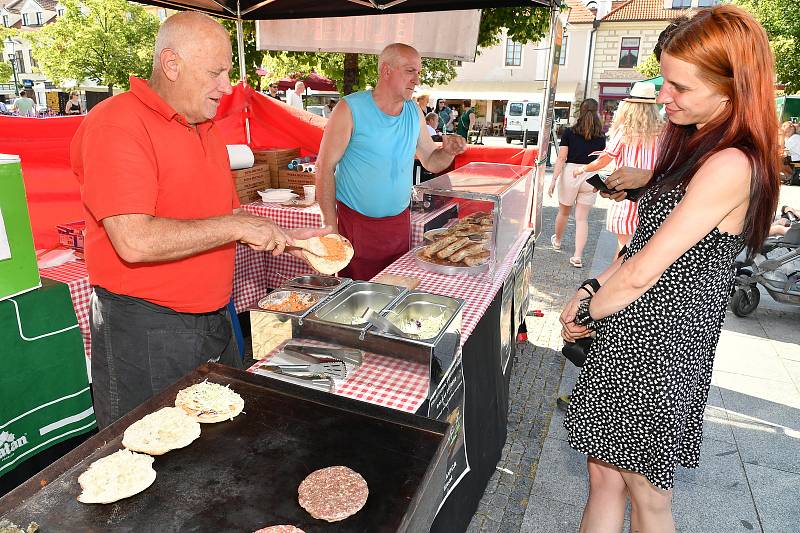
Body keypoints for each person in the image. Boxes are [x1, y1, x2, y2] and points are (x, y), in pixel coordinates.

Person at [560, 6, 779, 532]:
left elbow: (644, 271)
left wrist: (588, 307)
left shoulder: (730, 162)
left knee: (649, 500)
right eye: (664, 81)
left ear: (732, 90)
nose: (663, 96)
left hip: (659, 352)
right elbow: (638, 248)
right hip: (635, 336)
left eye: (679, 86)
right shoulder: (700, 143)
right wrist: (592, 286)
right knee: (606, 480)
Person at [70, 12, 328, 429]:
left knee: (221, 441)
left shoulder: (203, 126)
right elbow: (134, 240)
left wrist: (292, 237)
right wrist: (236, 226)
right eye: (215, 72)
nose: (227, 87)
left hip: (212, 318)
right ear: (171, 64)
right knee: (151, 457)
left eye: (227, 71)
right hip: (147, 329)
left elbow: (220, 218)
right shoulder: (116, 124)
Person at [315, 43, 467, 280]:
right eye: (410, 71)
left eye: (418, 72)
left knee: (394, 297)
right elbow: (324, 167)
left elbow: (430, 161)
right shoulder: (349, 108)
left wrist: (447, 152)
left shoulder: (414, 111)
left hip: (397, 225)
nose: (416, 80)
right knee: (355, 302)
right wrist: (329, 228)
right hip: (355, 224)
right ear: (386, 71)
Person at [576, 82, 663, 256]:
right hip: (653, 194)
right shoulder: (663, 131)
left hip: (626, 195)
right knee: (644, 249)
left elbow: (605, 159)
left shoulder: (625, 131)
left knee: (623, 248)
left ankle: (613, 282)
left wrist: (583, 169)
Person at [547, 98, 606, 269]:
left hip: (570, 173)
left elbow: (561, 158)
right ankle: (577, 256)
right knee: (582, 219)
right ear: (596, 112)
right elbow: (600, 160)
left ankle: (557, 241)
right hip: (590, 174)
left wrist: (553, 180)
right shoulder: (600, 136)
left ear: (580, 111)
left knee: (564, 212)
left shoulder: (569, 132)